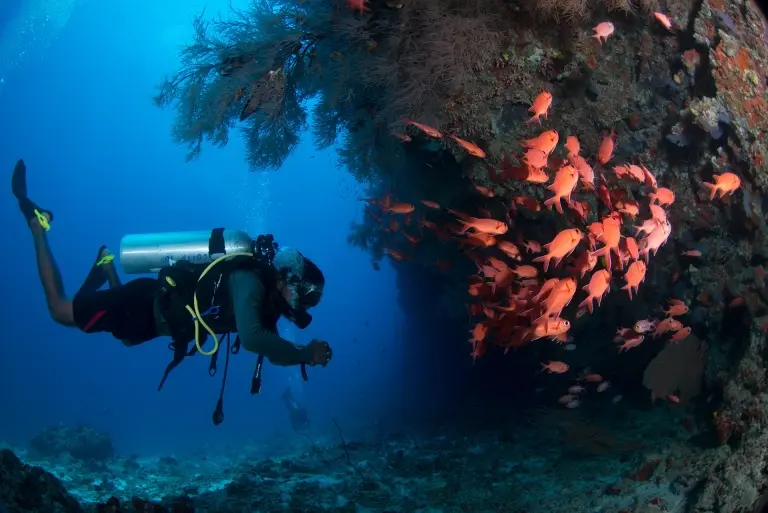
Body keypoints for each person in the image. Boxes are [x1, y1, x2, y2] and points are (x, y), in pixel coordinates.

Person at [11, 159, 333, 381]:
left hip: (153, 322)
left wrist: (302, 354)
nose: (304, 303)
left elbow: (272, 351)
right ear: (288, 277)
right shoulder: (249, 280)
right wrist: (305, 353)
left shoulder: (266, 308)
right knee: (59, 309)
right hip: (142, 305)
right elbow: (252, 339)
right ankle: (37, 225)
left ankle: (107, 266)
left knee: (123, 337)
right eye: (304, 293)